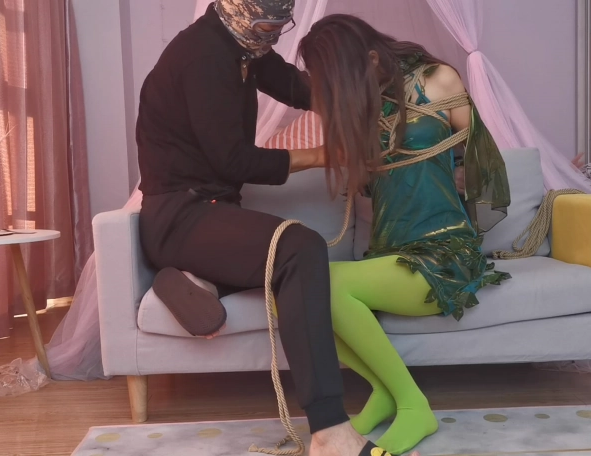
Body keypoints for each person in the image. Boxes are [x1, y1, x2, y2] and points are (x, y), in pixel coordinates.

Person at [135, 1, 411, 455]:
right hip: (179, 218)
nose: (277, 34)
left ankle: (198, 279)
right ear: (241, 9)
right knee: (298, 247)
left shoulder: (242, 45)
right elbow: (235, 161)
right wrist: (325, 155)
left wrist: (367, 92)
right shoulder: (202, 57)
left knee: (274, 262)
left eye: (283, 24)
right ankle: (329, 431)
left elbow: (296, 87)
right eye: (269, 24)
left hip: (212, 214)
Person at [298, 14, 512, 454]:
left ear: (372, 58)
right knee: (295, 294)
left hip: (442, 253)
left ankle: (414, 405)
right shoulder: (361, 106)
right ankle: (386, 392)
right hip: (389, 256)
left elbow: (482, 156)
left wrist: (456, 175)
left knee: (320, 283)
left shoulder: (439, 80)